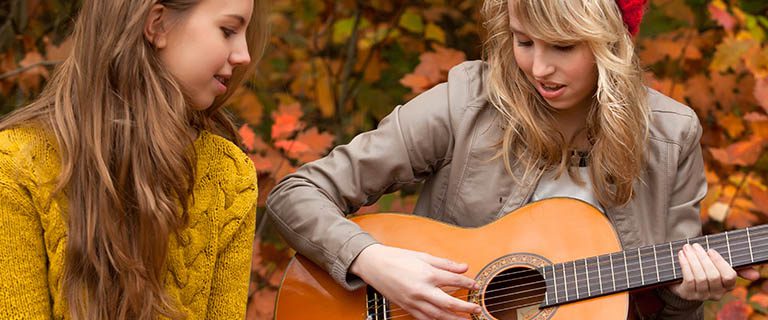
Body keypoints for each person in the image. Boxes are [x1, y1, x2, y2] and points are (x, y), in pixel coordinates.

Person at [267, 0, 759, 319]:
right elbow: (297, 193)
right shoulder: (467, 101)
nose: (538, 68)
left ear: (612, 43)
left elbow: (668, 309)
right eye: (524, 41)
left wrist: (683, 297)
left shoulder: (670, 135)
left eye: (562, 46)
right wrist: (371, 260)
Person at [0, 0, 267, 319]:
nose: (244, 55)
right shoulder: (18, 165)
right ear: (157, 24)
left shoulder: (228, 177)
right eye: (228, 30)